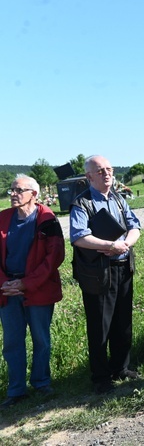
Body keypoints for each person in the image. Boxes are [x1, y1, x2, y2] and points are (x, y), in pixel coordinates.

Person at [70, 156, 142, 394]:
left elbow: (134, 226)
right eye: (100, 171)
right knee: (100, 324)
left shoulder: (119, 199)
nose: (107, 173)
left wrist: (126, 244)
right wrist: (109, 245)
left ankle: (121, 368)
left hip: (123, 267)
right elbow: (79, 237)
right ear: (89, 177)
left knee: (123, 322)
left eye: (109, 169)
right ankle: (100, 377)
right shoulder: (82, 203)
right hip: (99, 273)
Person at [0, 175, 64, 408]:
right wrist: (5, 283)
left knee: (41, 338)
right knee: (12, 341)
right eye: (11, 190)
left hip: (38, 289)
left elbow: (54, 257)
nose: (13, 194)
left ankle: (41, 382)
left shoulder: (47, 218)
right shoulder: (2, 219)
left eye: (19, 190)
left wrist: (27, 283)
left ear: (34, 194)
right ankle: (16, 390)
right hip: (7, 291)